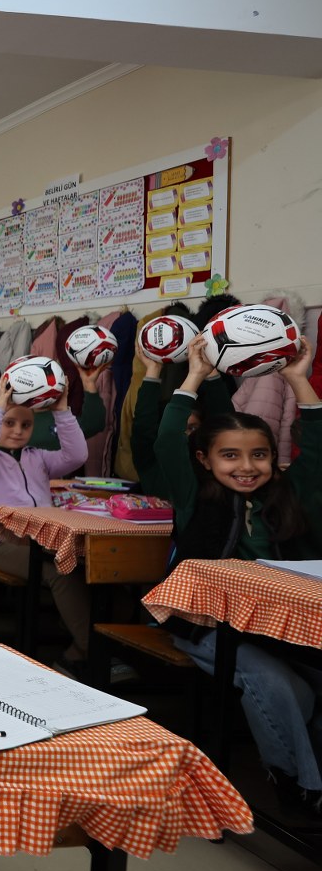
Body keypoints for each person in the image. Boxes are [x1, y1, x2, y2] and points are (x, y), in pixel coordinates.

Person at [159, 335, 322, 813]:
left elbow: (318, 450)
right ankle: (299, 784)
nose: (247, 467)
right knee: (278, 685)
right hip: (205, 623)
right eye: (230, 456)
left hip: (274, 624)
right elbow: (166, 441)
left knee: (311, 685)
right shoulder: (196, 496)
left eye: (260, 455)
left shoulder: (287, 495)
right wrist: (194, 377)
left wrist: (297, 379)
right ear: (204, 460)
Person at [0, 375, 89, 666]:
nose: (18, 431)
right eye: (9, 423)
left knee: (87, 565)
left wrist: (62, 410)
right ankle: (90, 653)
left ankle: (78, 646)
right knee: (59, 571)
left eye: (26, 425)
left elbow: (77, 455)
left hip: (44, 540)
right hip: (3, 543)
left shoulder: (38, 458)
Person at [130, 343, 229, 498]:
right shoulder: (150, 463)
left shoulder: (210, 466)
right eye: (180, 428)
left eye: (192, 428)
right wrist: (153, 369)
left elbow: (226, 426)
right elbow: (144, 424)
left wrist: (208, 370)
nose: (184, 434)